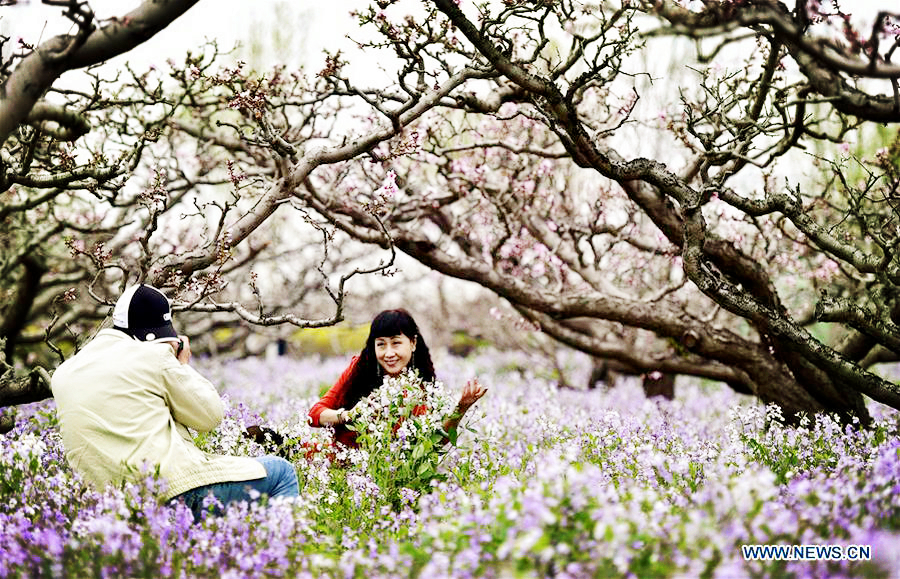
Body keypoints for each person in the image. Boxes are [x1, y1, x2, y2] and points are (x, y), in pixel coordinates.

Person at [51, 284, 299, 519]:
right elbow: (210, 417)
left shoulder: (63, 374)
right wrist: (182, 366)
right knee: (281, 471)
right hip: (171, 494)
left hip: (108, 508)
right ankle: (279, 554)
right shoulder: (152, 356)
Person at [308, 309, 487, 448]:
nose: (389, 353)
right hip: (337, 470)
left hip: (387, 481)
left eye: (396, 343)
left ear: (413, 343)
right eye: (381, 345)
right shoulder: (360, 369)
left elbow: (435, 442)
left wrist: (461, 409)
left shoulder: (422, 389)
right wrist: (349, 415)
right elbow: (314, 415)